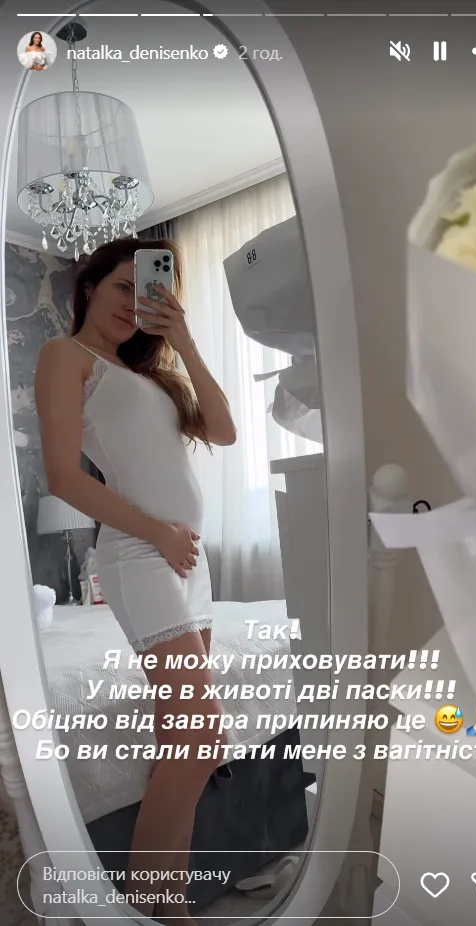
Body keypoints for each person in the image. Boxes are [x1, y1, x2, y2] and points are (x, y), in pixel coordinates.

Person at [34, 237, 237, 922]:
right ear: (89, 286)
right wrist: (158, 532)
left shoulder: (150, 373)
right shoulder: (66, 356)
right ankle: (146, 907)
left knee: (182, 741)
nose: (133, 302)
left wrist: (182, 338)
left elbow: (225, 431)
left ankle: (169, 907)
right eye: (124, 286)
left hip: (186, 561)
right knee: (204, 741)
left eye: (147, 290)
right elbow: (63, 477)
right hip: (142, 554)